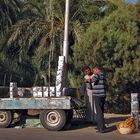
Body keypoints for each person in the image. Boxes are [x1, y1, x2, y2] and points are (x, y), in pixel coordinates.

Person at [91, 65, 108, 133]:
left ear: (97, 69)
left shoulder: (97, 75)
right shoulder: (103, 75)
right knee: (101, 110)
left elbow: (92, 80)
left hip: (98, 95)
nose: (93, 72)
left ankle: (101, 128)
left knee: (99, 112)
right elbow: (106, 85)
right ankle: (102, 126)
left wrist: (89, 78)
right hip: (102, 95)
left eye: (94, 70)